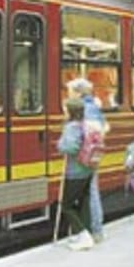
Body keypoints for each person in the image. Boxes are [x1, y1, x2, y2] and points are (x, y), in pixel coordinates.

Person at [66, 78, 107, 242]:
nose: (69, 94)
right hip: (93, 154)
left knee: (90, 191)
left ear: (78, 92)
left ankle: (95, 230)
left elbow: (80, 133)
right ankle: (92, 230)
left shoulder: (85, 109)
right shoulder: (95, 108)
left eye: (70, 91)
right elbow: (104, 128)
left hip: (84, 155)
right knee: (89, 190)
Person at [56, 97, 95, 251]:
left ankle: (82, 234)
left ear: (70, 111)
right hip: (87, 168)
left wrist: (60, 145)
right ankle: (87, 233)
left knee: (66, 205)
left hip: (75, 171)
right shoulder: (86, 124)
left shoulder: (71, 127)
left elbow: (71, 147)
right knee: (84, 201)